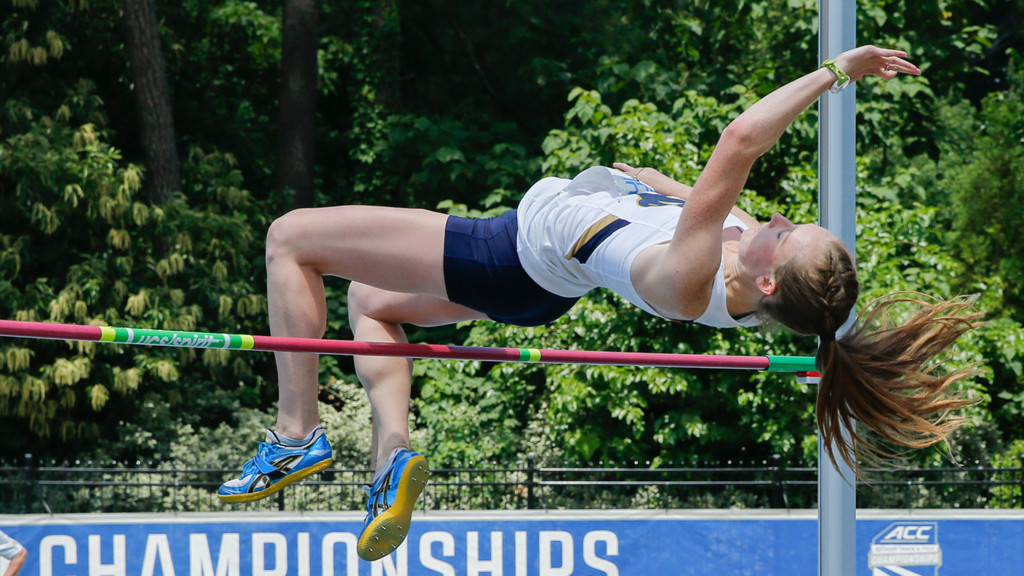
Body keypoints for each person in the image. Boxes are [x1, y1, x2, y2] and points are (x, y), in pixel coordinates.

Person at [218, 45, 980, 560]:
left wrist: (836, 72)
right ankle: (392, 457)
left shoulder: (692, 284)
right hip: (538, 280)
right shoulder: (747, 261)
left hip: (508, 255)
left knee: (291, 239)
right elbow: (706, 202)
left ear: (771, 281)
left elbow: (742, 140)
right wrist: (653, 183)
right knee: (373, 305)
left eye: (785, 233)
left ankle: (296, 433)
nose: (776, 221)